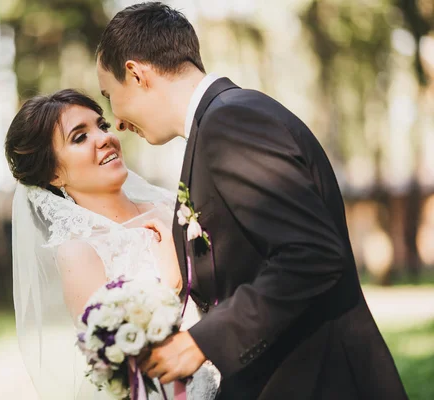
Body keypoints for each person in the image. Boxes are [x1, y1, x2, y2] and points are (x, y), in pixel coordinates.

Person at [95, 2, 408, 399]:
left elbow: (310, 253)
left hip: (322, 381)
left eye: (109, 97)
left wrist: (200, 342)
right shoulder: (223, 121)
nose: (118, 122)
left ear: (136, 74)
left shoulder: (230, 122)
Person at [5, 89, 219, 399]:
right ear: (53, 173)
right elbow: (121, 363)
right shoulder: (79, 252)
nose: (105, 138)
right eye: (80, 137)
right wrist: (172, 284)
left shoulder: (172, 206)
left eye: (101, 126)